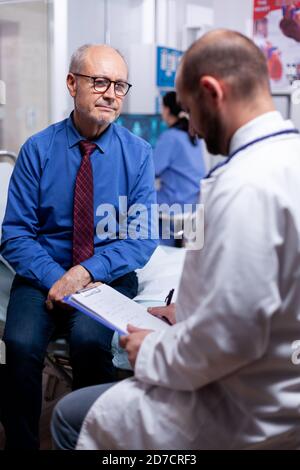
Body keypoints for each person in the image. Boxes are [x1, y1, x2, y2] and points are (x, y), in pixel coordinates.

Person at [51, 30, 300, 450]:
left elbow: (230, 339)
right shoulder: (286, 159)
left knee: (70, 417)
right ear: (72, 84)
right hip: (282, 389)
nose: (195, 130)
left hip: (244, 410)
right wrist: (189, 308)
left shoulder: (242, 187)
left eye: (190, 111)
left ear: (211, 92)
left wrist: (148, 351)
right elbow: (262, 292)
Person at [0, 44, 157, 449]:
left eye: (120, 86)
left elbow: (141, 237)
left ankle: (97, 444)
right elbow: (15, 234)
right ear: (73, 84)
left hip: (106, 277)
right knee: (19, 343)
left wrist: (85, 272)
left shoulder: (138, 155)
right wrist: (57, 277)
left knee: (90, 341)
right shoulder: (37, 150)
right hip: (43, 275)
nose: (111, 94)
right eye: (100, 82)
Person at [154, 91, 205, 208]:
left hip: (175, 204)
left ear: (166, 110)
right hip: (193, 202)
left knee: (132, 202)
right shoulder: (193, 135)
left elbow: (152, 170)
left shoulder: (170, 137)